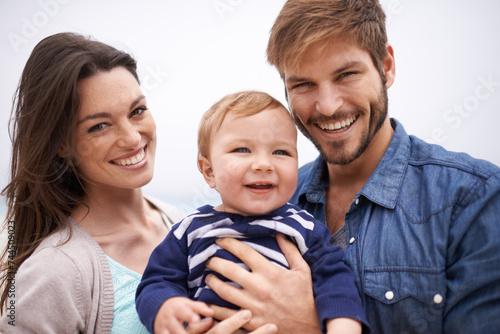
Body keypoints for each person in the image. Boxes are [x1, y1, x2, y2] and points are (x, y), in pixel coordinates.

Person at [197, 0, 500, 333]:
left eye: (346, 75)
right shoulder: (266, 197)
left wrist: (309, 328)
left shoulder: (474, 198)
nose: (328, 107)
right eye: (303, 84)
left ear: (386, 67)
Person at [0, 33, 272, 334]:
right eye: (99, 126)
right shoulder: (53, 272)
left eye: (137, 110)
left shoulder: (181, 223)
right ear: (61, 145)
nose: (132, 138)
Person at [136, 91, 368, 334]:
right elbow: (157, 281)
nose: (263, 164)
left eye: (281, 152)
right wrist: (165, 307)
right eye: (243, 150)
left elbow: (336, 281)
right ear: (209, 171)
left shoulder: (305, 228)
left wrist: (343, 325)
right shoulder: (191, 229)